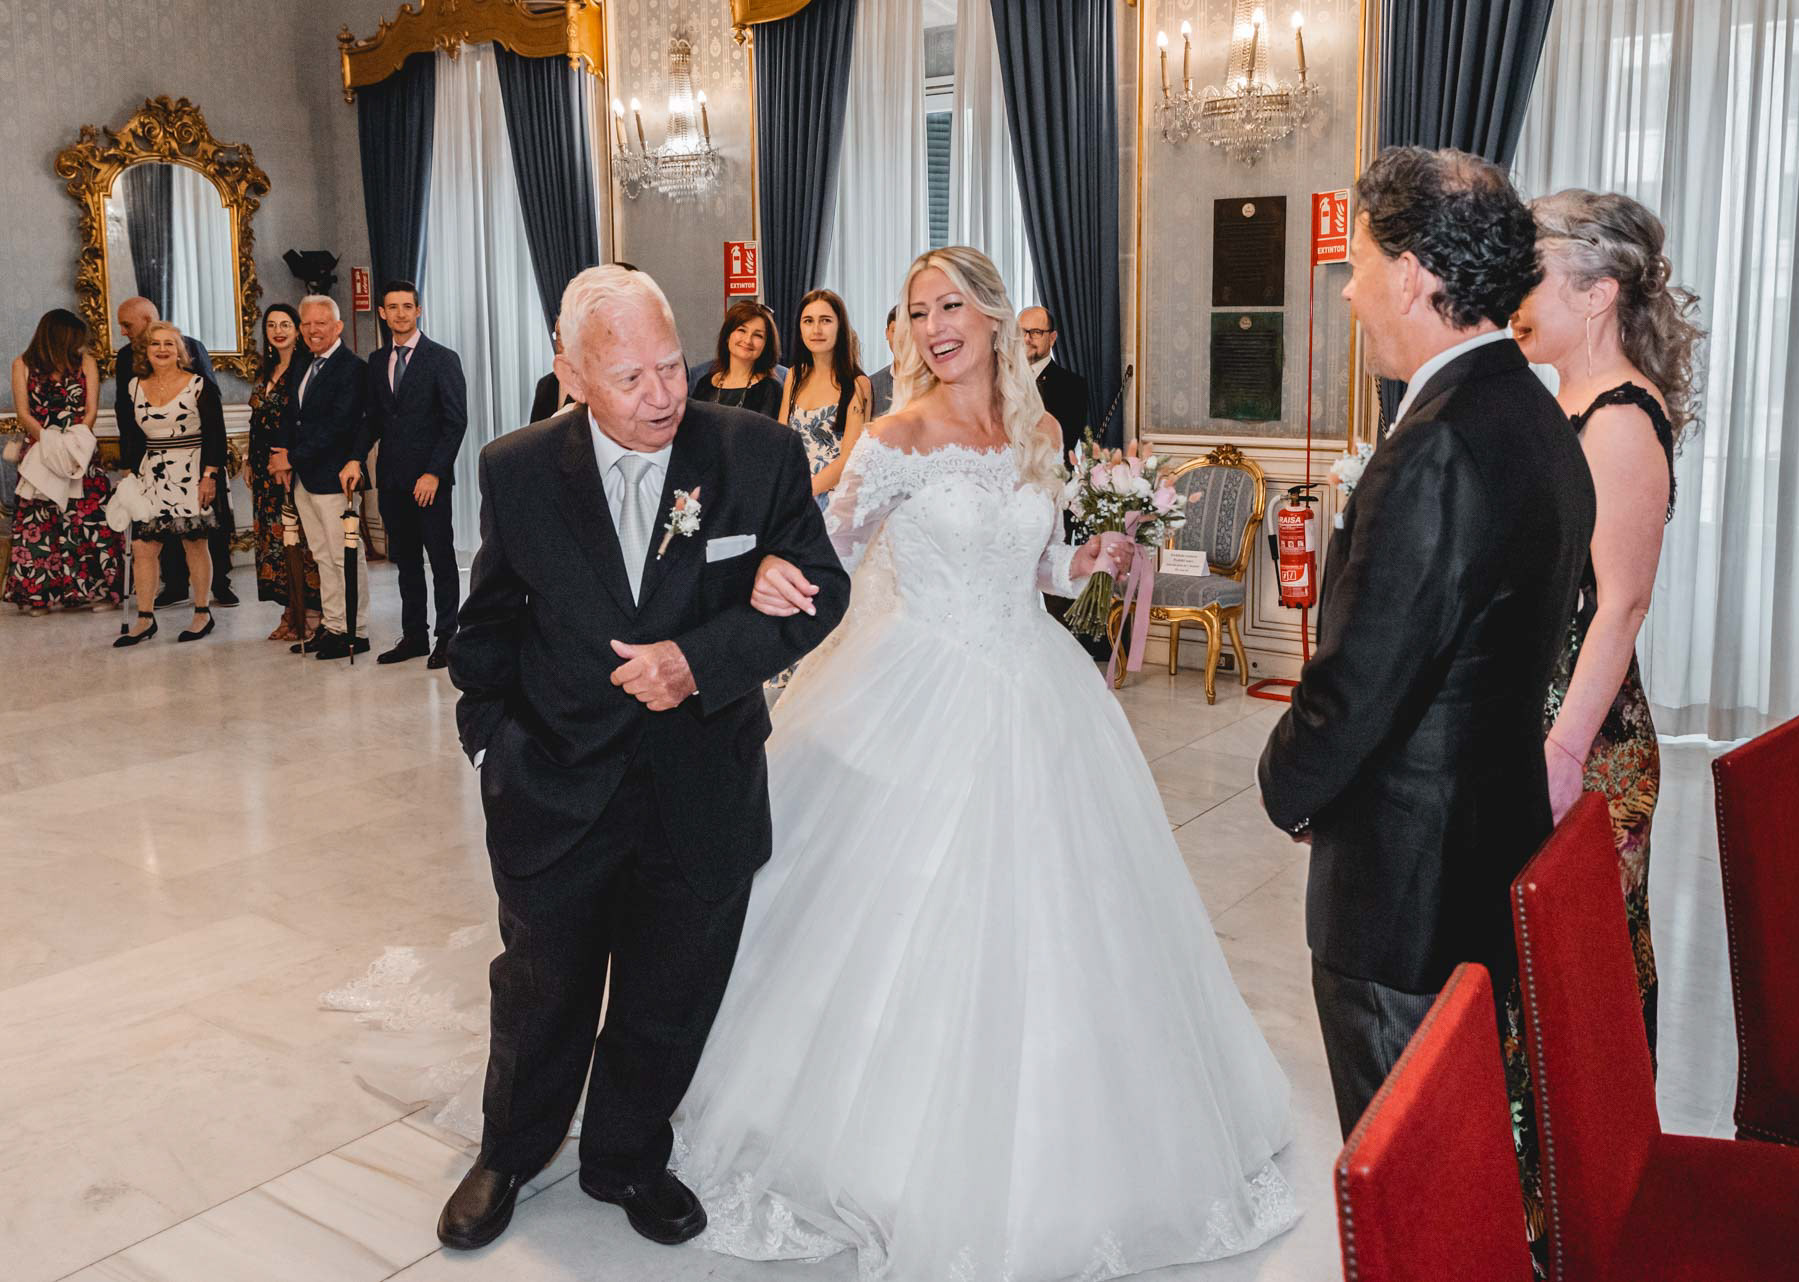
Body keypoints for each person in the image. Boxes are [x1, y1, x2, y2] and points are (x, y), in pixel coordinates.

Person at [681, 245, 1301, 1278]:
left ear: (994, 316)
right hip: (919, 687)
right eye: (918, 310)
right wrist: (752, 594)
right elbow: (827, 553)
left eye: (952, 306)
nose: (934, 327)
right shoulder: (894, 437)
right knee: (902, 915)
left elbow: (1039, 561)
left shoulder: (1038, 431)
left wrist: (1084, 558)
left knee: (1069, 917)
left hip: (1036, 684)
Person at [434, 265, 849, 1252]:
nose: (663, 395)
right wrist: (491, 743)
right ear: (573, 374)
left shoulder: (755, 451)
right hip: (554, 781)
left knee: (671, 992)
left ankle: (626, 1156)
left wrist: (698, 661)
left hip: (701, 782)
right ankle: (509, 1152)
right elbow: (488, 624)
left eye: (671, 365)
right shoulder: (517, 468)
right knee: (541, 990)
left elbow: (821, 588)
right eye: (630, 378)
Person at [1256, 146, 1596, 1139]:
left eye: (1358, 264)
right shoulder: (1534, 413)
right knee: (1460, 1150)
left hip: (1404, 890)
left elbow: (1362, 682)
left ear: (1409, 275)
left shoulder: (1439, 441)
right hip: (1485, 849)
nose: (1349, 291)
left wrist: (1288, 785)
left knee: (1405, 1162)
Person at [1506, 187, 1704, 1257]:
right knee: (1534, 971)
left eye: (1531, 273)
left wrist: (1563, 751)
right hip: (1541, 726)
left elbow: (1619, 606)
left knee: (1578, 978)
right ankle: (1531, 1207)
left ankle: (1585, 1213)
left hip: (1585, 743)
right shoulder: (1566, 402)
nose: (1514, 294)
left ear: (1597, 291)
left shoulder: (1620, 421)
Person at [346, 281, 468, 668]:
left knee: (441, 560)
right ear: (382, 314)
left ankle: (447, 636)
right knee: (407, 562)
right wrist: (354, 458)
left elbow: (455, 422)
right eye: (393, 307)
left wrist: (434, 473)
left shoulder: (442, 359)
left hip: (430, 482)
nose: (400, 313)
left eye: (407, 306)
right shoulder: (376, 360)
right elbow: (372, 419)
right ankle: (414, 636)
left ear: (418, 311)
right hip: (392, 480)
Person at [111, 296, 236, 608]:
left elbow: (211, 406)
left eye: (127, 324)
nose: (123, 331)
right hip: (152, 457)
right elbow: (125, 413)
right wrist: (129, 463)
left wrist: (210, 469)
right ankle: (175, 584)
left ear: (146, 318)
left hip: (195, 456)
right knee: (157, 527)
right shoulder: (125, 357)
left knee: (203, 529)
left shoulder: (192, 346)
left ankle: (219, 584)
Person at [268, 295, 369, 661]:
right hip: (303, 478)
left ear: (337, 327)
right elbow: (292, 416)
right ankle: (333, 624)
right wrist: (282, 457)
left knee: (345, 556)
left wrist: (291, 457)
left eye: (320, 323)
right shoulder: (303, 363)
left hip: (334, 477)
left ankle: (356, 630)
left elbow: (339, 426)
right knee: (322, 556)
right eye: (307, 323)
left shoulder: (352, 368)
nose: (312, 330)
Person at [5, 308, 121, 614]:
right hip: (40, 449)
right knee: (40, 523)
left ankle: (95, 591)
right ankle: (39, 595)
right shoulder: (23, 364)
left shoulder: (86, 363)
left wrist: (74, 441)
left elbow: (91, 409)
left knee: (87, 520)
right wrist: (48, 441)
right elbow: (23, 412)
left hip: (79, 449)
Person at [245, 303, 321, 641]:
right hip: (264, 472)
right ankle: (290, 610)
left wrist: (289, 459)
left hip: (292, 467)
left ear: (297, 329)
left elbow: (304, 423)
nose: (278, 331)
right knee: (273, 544)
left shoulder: (306, 369)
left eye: (285, 324)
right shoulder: (265, 371)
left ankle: (312, 611)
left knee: (300, 541)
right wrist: (248, 460)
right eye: (272, 325)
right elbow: (256, 422)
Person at [776, 289, 871, 504]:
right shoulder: (794, 376)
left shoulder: (857, 384)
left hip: (833, 497)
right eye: (808, 321)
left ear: (840, 326)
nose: (816, 329)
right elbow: (782, 440)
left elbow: (849, 459)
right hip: (792, 489)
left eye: (825, 320)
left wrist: (802, 493)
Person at [690, 300, 783, 419]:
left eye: (758, 335)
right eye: (742, 330)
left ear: (766, 345)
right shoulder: (704, 383)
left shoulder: (771, 389)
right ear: (728, 336)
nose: (748, 340)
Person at [1020, 305, 1089, 463]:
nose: (1026, 339)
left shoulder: (1073, 386)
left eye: (1036, 332)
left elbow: (1063, 446)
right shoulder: (1000, 379)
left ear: (1052, 338)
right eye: (1021, 332)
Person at [528, 328, 573, 423]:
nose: (559, 341)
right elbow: (534, 428)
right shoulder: (544, 384)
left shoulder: (590, 385)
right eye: (557, 335)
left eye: (566, 334)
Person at [866, 304, 898, 415]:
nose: (900, 338)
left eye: (906, 332)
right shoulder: (872, 385)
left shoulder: (933, 381)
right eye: (895, 331)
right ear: (887, 333)